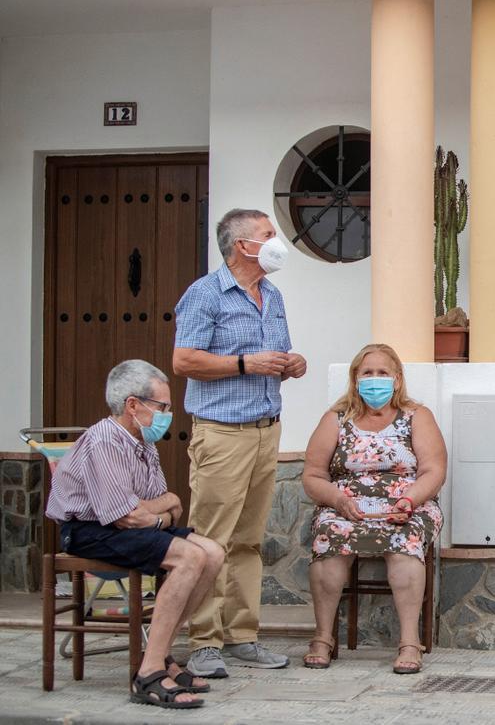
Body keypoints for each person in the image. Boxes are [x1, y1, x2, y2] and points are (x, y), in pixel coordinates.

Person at [173, 208, 307, 677]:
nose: (276, 242)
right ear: (242, 246)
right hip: (223, 433)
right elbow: (185, 360)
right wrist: (246, 364)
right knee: (210, 541)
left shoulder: (272, 295)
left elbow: (279, 354)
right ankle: (204, 641)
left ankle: (243, 635)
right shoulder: (205, 294)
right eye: (268, 234)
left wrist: (292, 364)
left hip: (266, 429)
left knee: (249, 541)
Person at [45, 360, 225, 709]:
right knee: (190, 557)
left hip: (119, 525)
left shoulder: (141, 441)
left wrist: (160, 507)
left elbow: (167, 503)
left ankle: (161, 654)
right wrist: (159, 510)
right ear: (133, 405)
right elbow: (126, 516)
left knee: (213, 553)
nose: (167, 416)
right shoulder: (104, 441)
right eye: (162, 407)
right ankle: (149, 675)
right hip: (89, 531)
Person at [300, 344, 446, 674]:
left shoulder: (416, 417)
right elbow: (312, 475)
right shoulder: (336, 419)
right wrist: (337, 500)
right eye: (367, 373)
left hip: (408, 505)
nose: (375, 379)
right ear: (355, 379)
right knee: (328, 533)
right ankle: (323, 638)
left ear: (397, 380)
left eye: (383, 373)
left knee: (405, 539)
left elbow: (433, 470)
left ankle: (410, 642)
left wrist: (408, 501)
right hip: (345, 506)